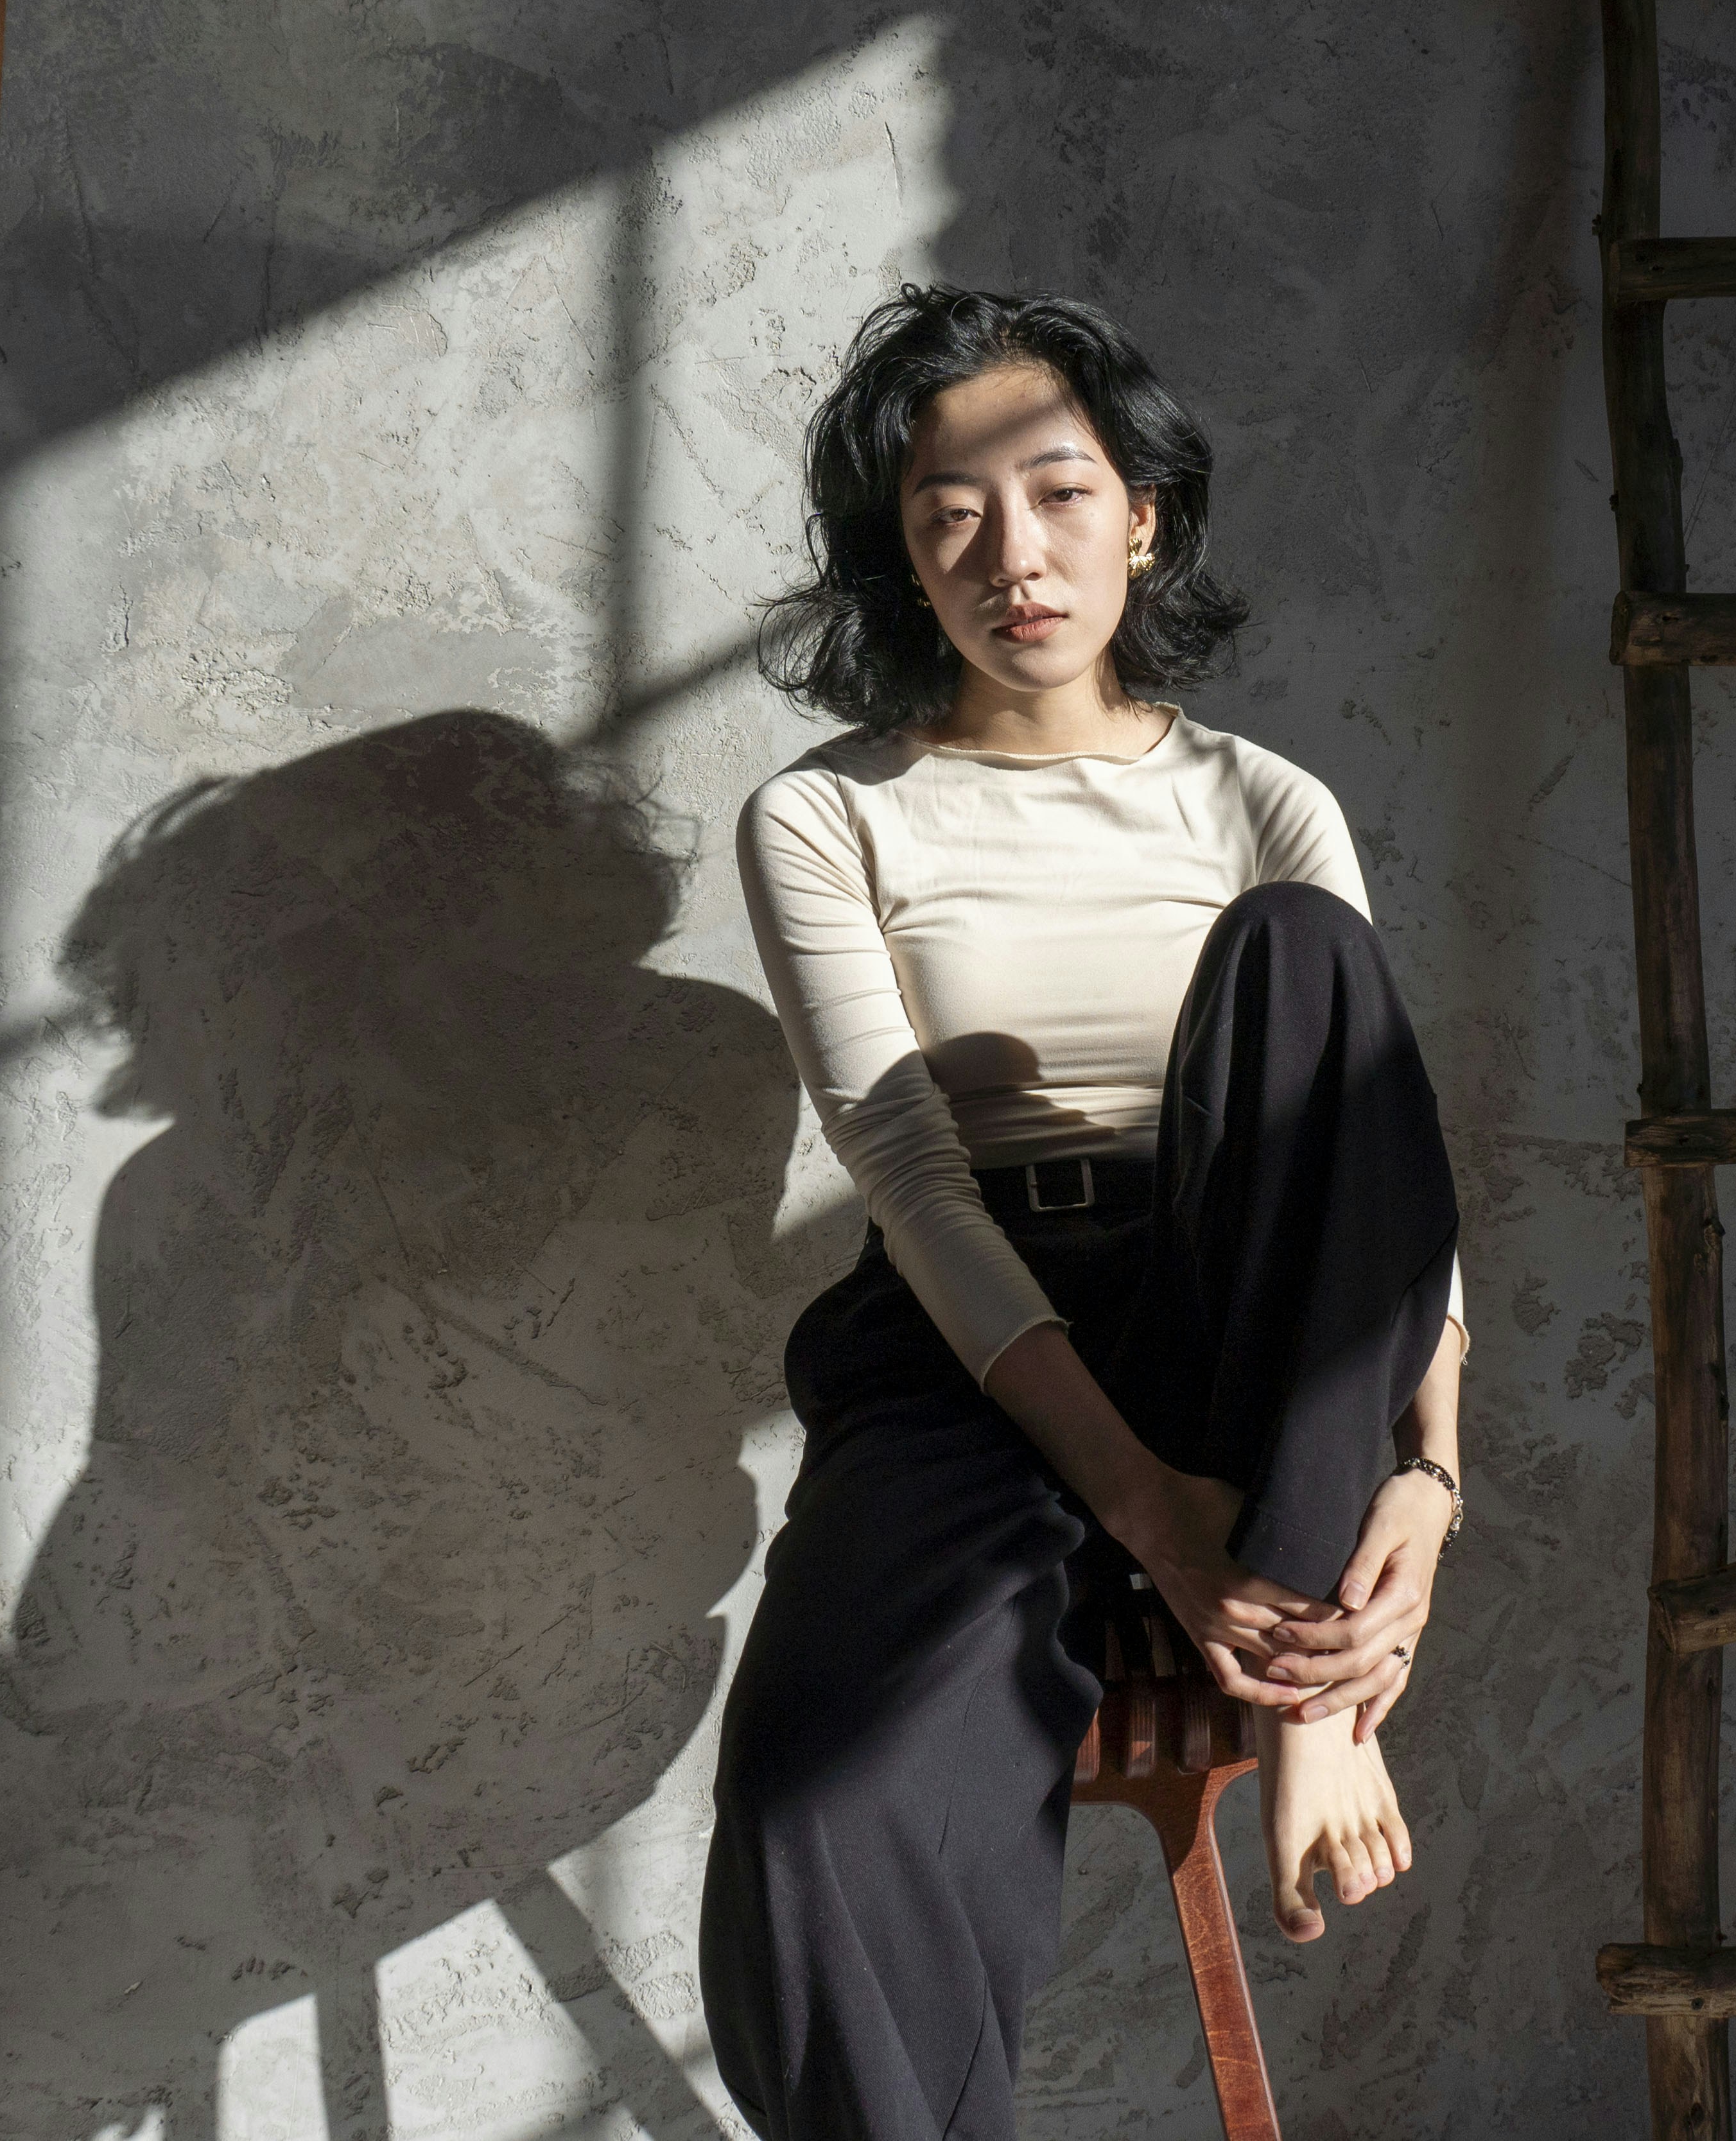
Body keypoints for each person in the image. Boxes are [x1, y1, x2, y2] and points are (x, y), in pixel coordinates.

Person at [700, 287, 1469, 2140]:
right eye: (950, 516)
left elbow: (1378, 1178)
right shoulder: (829, 817)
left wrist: (1431, 1481)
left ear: (1145, 517)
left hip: (1243, 1321)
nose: (1013, 556)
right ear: (903, 562)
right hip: (976, 1346)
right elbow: (911, 1180)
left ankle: (1305, 1700)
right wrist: (1141, 1508)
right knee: (810, 1805)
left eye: (1057, 494)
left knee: (1306, 957)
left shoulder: (1261, 797)